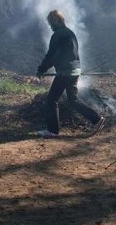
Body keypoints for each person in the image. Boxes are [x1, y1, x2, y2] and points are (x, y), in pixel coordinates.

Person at [35, 9, 105, 138]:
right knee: (73, 99)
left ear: (55, 21)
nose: (50, 25)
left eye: (51, 22)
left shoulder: (57, 35)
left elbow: (51, 55)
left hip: (65, 72)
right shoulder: (70, 33)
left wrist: (41, 69)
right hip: (75, 70)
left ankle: (52, 131)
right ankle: (96, 119)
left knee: (52, 100)